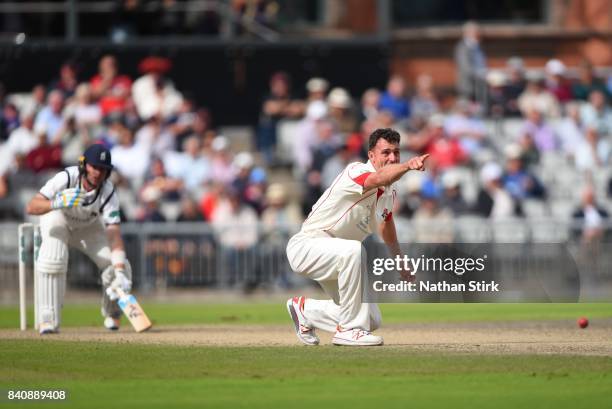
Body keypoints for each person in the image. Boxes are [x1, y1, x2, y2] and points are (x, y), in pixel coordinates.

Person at [286, 128, 428, 346]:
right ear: (371, 155)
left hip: (338, 255)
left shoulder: (389, 191)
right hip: (308, 245)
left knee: (371, 319)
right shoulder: (356, 171)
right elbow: (378, 177)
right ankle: (349, 330)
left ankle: (306, 311)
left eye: (397, 153)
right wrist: (408, 165)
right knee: (353, 250)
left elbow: (386, 224)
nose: (392, 158)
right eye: (386, 152)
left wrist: (399, 261)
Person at [25, 144, 133, 334]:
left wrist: (120, 271)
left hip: (88, 227)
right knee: (53, 258)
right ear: (84, 165)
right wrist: (55, 202)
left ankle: (113, 313)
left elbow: (114, 234)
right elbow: (32, 206)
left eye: (103, 169)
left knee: (118, 264)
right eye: (95, 167)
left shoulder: (108, 192)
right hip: (58, 218)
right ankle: (48, 318)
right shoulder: (66, 177)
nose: (98, 173)